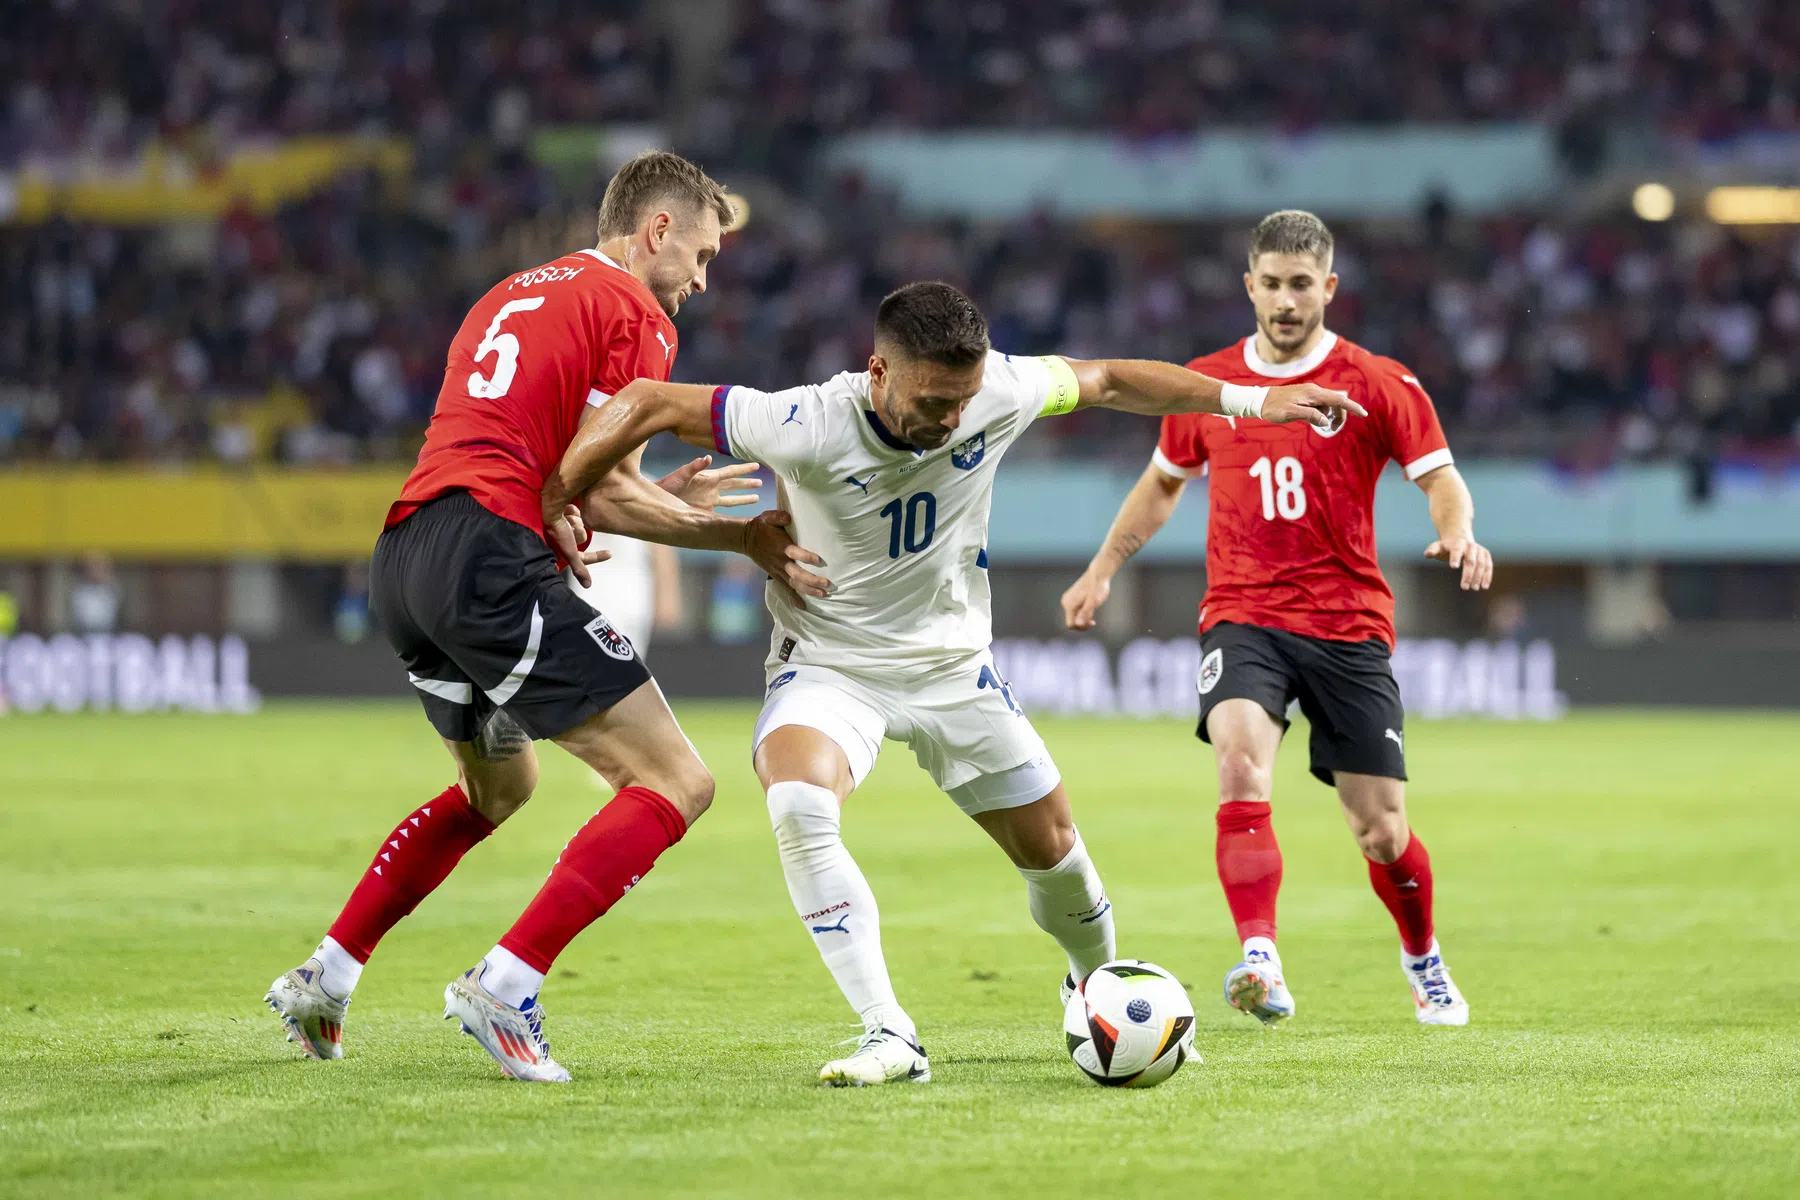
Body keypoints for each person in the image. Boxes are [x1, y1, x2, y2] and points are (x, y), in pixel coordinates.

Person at [537, 280, 1364, 1084]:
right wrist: (554, 495)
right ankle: (888, 1031)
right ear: (879, 372)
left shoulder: (997, 388)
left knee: (1057, 857)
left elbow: (1110, 378)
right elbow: (644, 399)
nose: (952, 419)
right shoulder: (802, 419)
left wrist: (1249, 403)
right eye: (935, 401)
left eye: (962, 399)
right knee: (797, 801)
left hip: (951, 669)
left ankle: (1101, 985)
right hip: (831, 666)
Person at [265, 150, 830, 1083]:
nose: (701, 279)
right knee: (678, 780)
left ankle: (326, 977)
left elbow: (564, 469)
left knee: (500, 788)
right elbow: (594, 493)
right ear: (656, 231)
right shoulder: (635, 313)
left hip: (407, 555)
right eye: (703, 253)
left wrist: (657, 496)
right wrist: (736, 539)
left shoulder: (513, 293)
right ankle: (505, 985)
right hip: (487, 556)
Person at [1061, 210, 1493, 1028]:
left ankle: (1422, 956)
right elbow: (1162, 483)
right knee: (1238, 763)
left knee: (1381, 830)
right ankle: (1260, 956)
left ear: (1328, 287)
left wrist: (1458, 532)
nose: (1287, 301)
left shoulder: (1378, 383)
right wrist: (1102, 569)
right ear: (1249, 286)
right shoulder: (1207, 385)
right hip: (1243, 614)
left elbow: (1439, 477)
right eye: (1273, 284)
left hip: (1348, 624)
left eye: (1303, 285)